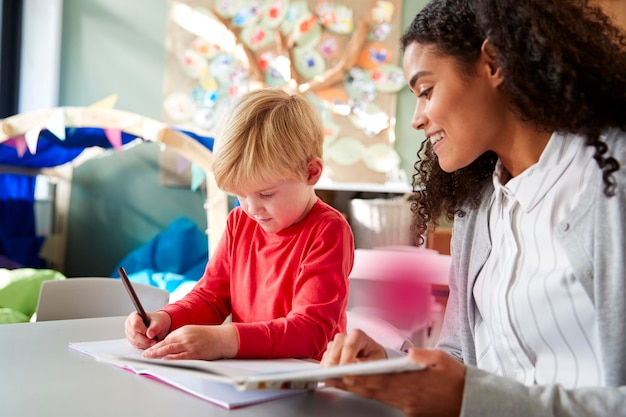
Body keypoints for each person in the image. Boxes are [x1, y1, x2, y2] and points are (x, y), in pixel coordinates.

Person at [321, 0, 626, 416]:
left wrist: (472, 399)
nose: (416, 119)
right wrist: (395, 372)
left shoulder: (611, 179)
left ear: (494, 63)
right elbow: (464, 362)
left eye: (426, 91)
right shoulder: (478, 208)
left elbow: (476, 395)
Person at [125, 88, 354, 361]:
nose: (252, 208)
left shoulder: (328, 231)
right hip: (245, 376)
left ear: (311, 172)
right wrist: (166, 319)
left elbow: (311, 332)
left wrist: (225, 339)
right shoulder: (240, 221)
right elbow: (211, 296)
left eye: (266, 194)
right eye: (239, 194)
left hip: (306, 381)